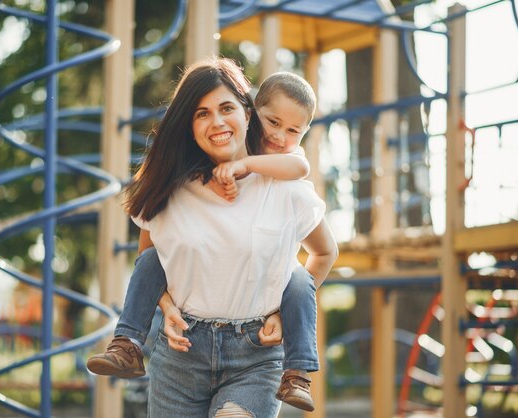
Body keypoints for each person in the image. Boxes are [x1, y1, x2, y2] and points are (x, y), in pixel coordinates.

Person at [88, 57, 338, 417]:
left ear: (246, 113)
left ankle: (299, 373)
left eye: (225, 108)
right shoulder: (169, 189)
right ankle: (127, 345)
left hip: (254, 356)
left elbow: (325, 254)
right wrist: (168, 308)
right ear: (189, 126)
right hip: (181, 354)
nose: (217, 121)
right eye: (202, 113)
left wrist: (287, 314)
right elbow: (151, 262)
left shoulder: (287, 187)